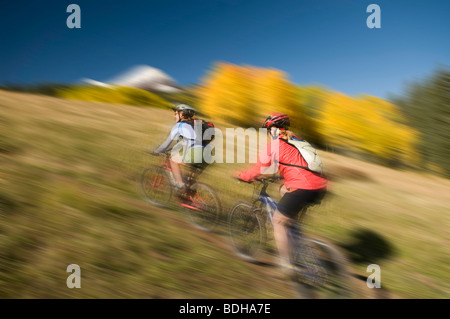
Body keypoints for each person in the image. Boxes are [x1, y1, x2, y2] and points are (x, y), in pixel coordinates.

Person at [237, 113, 328, 271]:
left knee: (278, 220)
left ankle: (286, 264)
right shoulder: (298, 141)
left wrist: (243, 176)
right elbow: (296, 165)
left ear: (272, 129)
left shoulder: (275, 144)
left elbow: (258, 169)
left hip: (303, 187)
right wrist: (281, 178)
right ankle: (293, 233)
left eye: (268, 129)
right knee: (283, 190)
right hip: (320, 187)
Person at [152, 104, 206, 195]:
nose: (174, 116)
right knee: (189, 180)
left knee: (173, 160)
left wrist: (157, 150)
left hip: (195, 152)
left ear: (182, 114)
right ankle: (188, 199)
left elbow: (167, 143)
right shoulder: (195, 125)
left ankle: (180, 185)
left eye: (176, 113)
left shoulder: (179, 126)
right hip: (207, 154)